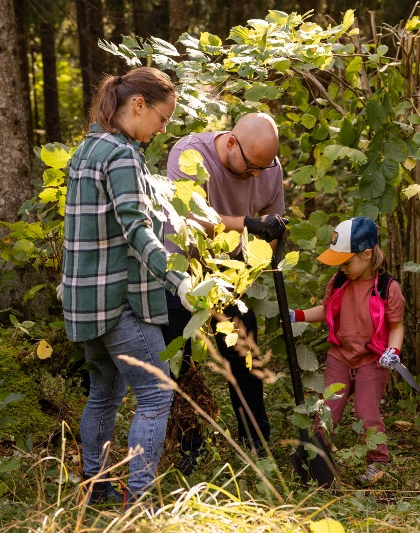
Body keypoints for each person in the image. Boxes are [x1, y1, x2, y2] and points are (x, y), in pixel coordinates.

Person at [61, 66, 193, 504]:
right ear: (138, 104)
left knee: (105, 392)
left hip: (85, 303)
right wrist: (178, 280)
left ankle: (95, 489)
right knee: (157, 393)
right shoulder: (121, 155)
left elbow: (79, 230)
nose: (163, 128)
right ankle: (139, 499)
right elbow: (137, 230)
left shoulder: (85, 150)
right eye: (163, 117)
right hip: (119, 302)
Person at [162, 113, 287, 474]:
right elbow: (189, 217)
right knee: (181, 362)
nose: (257, 177)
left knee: (244, 359)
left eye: (265, 168)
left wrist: (265, 245)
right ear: (231, 142)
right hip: (182, 272)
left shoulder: (267, 167)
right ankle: (190, 448)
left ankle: (254, 443)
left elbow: (274, 223)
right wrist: (248, 223)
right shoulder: (189, 154)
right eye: (250, 168)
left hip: (232, 274)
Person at [288, 217, 405, 486]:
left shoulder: (388, 288)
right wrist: (298, 315)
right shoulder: (340, 281)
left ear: (366, 254)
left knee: (366, 412)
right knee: (327, 410)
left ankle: (378, 462)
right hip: (339, 355)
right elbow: (325, 309)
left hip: (371, 360)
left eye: (346, 261)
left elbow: (396, 326)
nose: (342, 267)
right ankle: (315, 459)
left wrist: (393, 350)